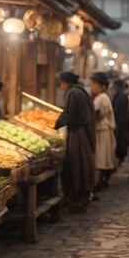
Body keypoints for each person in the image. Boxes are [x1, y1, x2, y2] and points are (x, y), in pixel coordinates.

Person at [55, 71, 96, 213]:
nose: (61, 87)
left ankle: (77, 200)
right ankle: (81, 197)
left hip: (78, 135)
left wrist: (57, 123)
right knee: (82, 165)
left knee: (76, 165)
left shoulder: (73, 93)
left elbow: (70, 118)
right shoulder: (82, 92)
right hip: (83, 132)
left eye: (61, 84)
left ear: (65, 83)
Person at [90, 72, 117, 191]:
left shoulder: (101, 98)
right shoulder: (103, 97)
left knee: (101, 158)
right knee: (104, 157)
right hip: (104, 131)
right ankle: (102, 181)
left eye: (94, 84)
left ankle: (98, 183)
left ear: (101, 86)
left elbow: (95, 114)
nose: (92, 87)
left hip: (102, 131)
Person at [112, 78, 129, 166]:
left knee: (120, 140)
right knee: (120, 140)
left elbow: (118, 110)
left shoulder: (120, 95)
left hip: (120, 122)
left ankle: (120, 158)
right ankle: (120, 158)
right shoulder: (122, 95)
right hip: (121, 121)